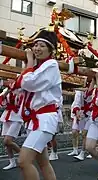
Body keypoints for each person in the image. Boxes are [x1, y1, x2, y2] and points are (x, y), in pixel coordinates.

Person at [10, 30, 61, 180]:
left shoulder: (51, 64)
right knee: (43, 162)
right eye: (35, 45)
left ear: (51, 50)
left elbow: (29, 82)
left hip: (45, 119)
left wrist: (30, 61)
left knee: (24, 161)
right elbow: (22, 86)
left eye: (42, 45)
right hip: (38, 119)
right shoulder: (39, 68)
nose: (36, 48)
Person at [0, 87, 24, 170]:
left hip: (17, 117)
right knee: (7, 143)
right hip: (7, 116)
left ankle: (24, 156)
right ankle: (12, 162)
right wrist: (7, 92)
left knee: (7, 141)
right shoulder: (6, 90)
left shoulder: (22, 89)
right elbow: (1, 102)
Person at [74, 83, 93, 160]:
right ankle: (91, 150)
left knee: (85, 133)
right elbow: (77, 102)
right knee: (84, 134)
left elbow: (90, 98)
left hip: (92, 113)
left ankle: (82, 153)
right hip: (83, 113)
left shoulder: (95, 88)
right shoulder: (79, 91)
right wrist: (77, 111)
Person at [68, 90, 85, 156]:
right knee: (74, 132)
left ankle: (87, 150)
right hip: (76, 110)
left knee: (85, 133)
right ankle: (75, 149)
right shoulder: (78, 90)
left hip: (85, 112)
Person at [49, 95, 64, 161]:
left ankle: (54, 152)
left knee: (52, 136)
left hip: (56, 116)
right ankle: (51, 150)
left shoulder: (58, 95)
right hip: (48, 115)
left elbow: (58, 105)